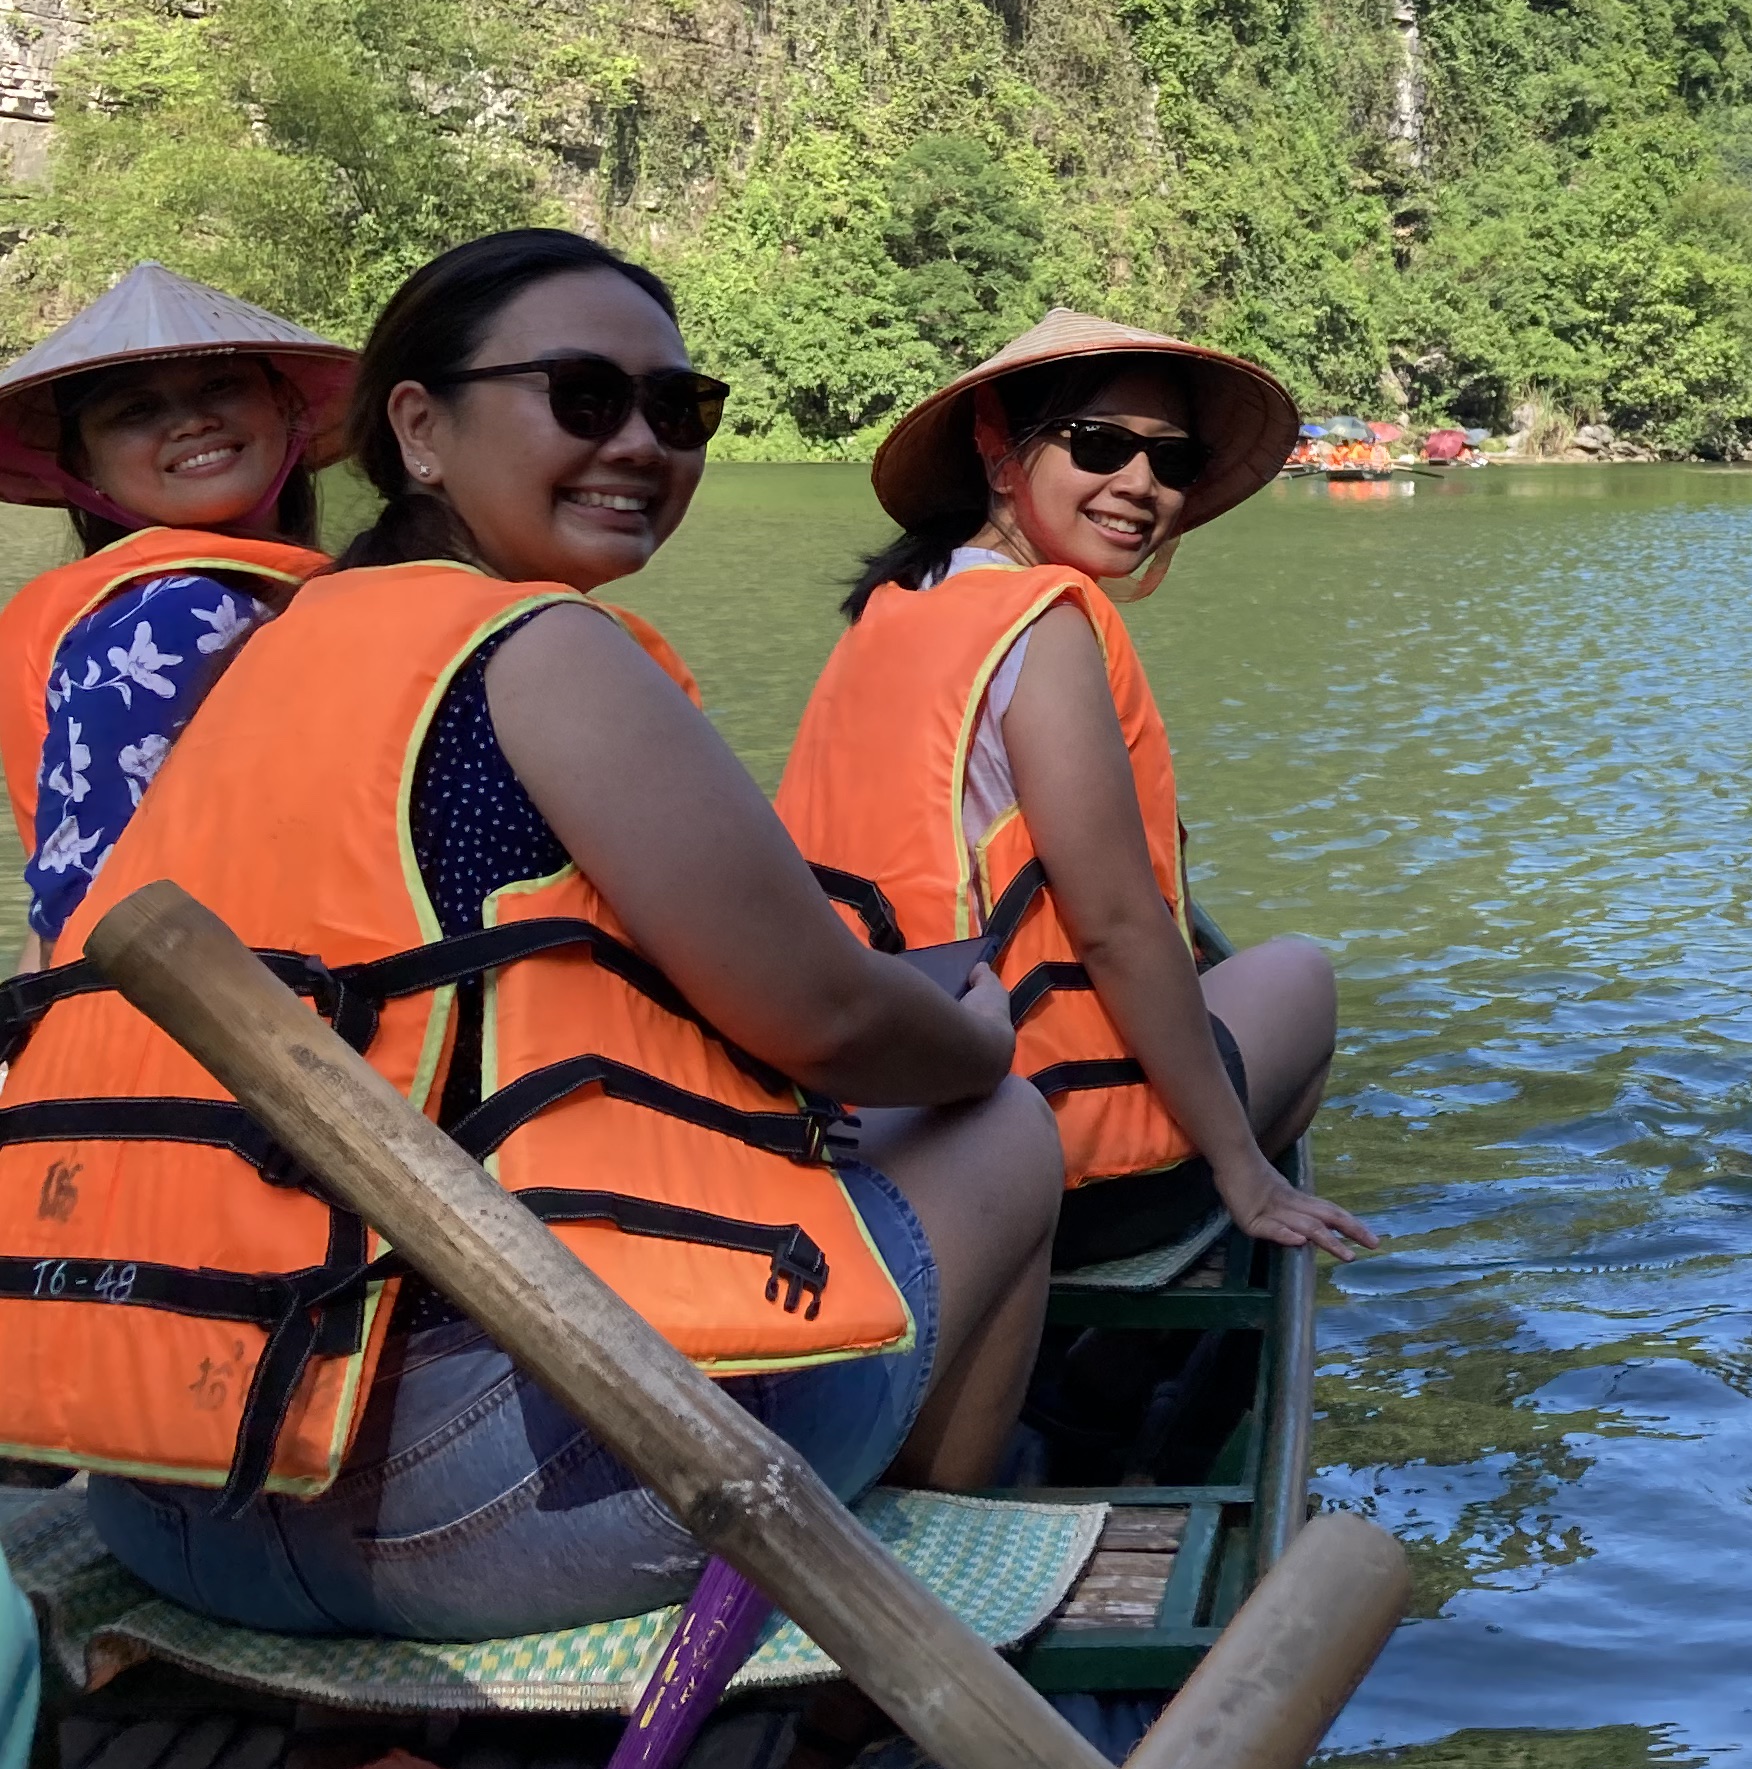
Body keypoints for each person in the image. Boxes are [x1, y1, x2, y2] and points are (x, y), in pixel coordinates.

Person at [0, 229, 1061, 1639]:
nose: (639, 445)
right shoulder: (543, 651)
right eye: (579, 396)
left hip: (168, 1490)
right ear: (419, 430)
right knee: (999, 1122)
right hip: (458, 1524)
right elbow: (838, 1022)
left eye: (676, 411)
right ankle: (877, 1667)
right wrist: (976, 1035)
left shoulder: (266, 648)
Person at [776, 312, 1365, 1267]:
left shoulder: (898, 605)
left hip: (857, 1132)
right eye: (1099, 445)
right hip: (1039, 1147)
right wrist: (1242, 1168)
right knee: (1302, 974)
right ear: (998, 449)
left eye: (1171, 463)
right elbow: (1116, 927)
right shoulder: (1042, 626)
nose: (1140, 485)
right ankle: (1160, 1300)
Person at [0, 264, 354, 966]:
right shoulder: (175, 615)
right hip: (200, 1038)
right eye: (135, 410)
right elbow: (98, 897)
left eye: (221, 386)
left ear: (287, 410)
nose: (191, 422)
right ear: (84, 465)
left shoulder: (247, 598)